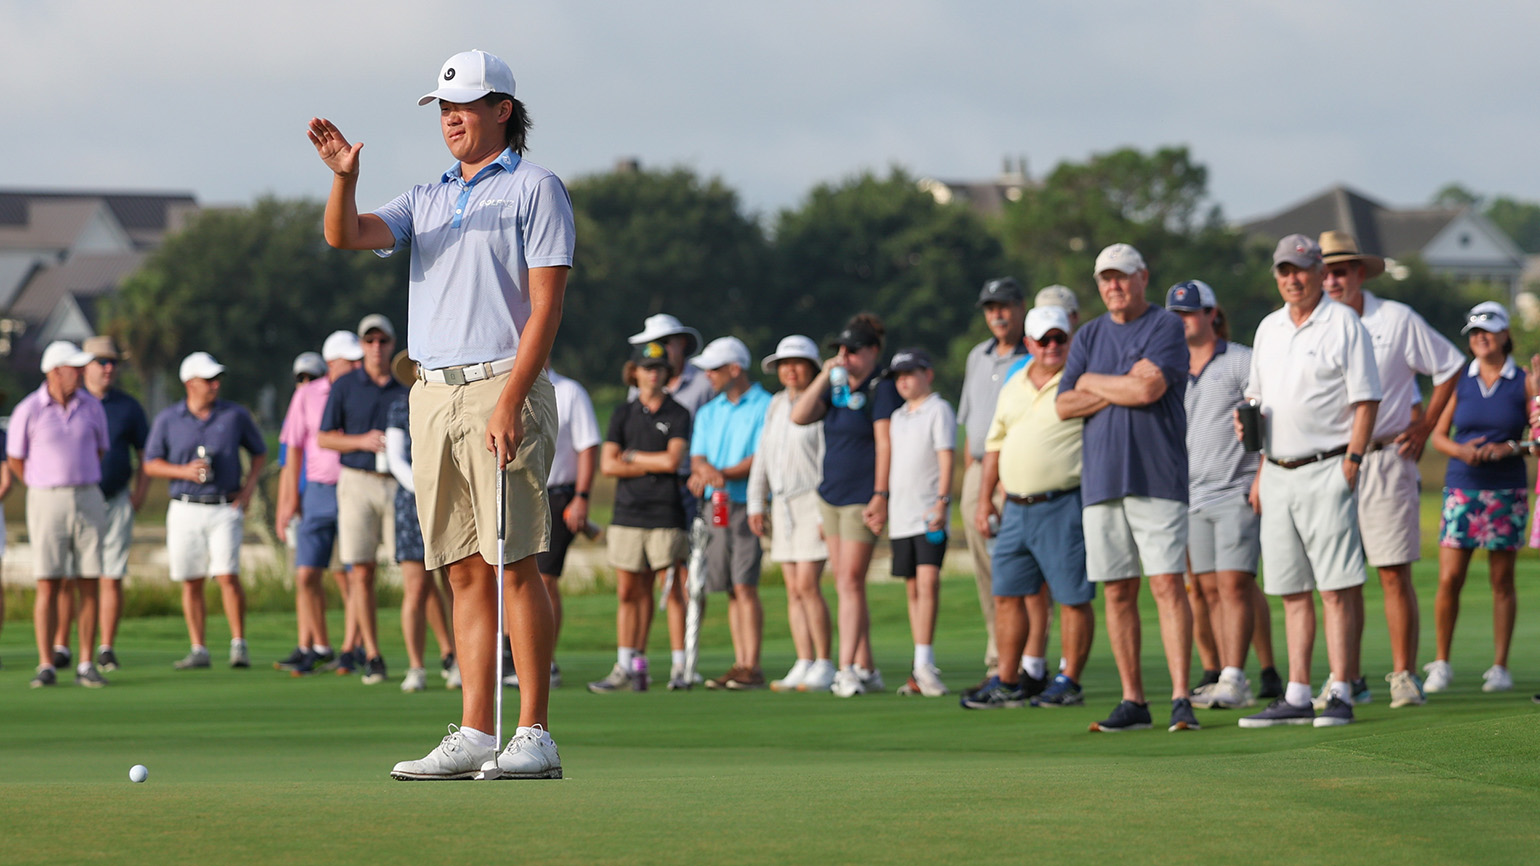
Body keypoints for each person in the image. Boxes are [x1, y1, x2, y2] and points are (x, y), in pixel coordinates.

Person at [313, 47, 573, 779]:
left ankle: (534, 734)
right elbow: (346, 235)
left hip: (501, 385)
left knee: (514, 561)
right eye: (444, 108)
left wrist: (514, 398)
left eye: (465, 105)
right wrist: (344, 180)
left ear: (503, 111)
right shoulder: (426, 198)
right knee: (460, 568)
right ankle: (475, 732)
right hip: (430, 393)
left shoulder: (536, 189)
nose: (452, 118)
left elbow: (547, 305)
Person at [1237, 235, 1380, 729]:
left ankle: (1340, 689)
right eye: (1284, 271)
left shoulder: (1344, 323)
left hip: (1328, 466)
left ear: (1319, 270)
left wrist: (1353, 462)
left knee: (1335, 587)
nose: (1292, 278)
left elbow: (1366, 400)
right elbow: (1257, 402)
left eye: (1300, 268)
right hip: (1276, 472)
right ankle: (1297, 693)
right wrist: (1256, 465)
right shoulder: (1268, 328)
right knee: (1290, 588)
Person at [1319, 230, 1464, 709]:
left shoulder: (1396, 319)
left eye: (1341, 270)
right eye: (1325, 271)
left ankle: (1403, 674)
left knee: (1391, 572)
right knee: (1339, 576)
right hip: (1329, 460)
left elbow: (1448, 365)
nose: (1332, 279)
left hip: (1385, 457)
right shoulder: (1315, 325)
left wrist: (1424, 427)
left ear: (1360, 272)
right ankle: (1349, 677)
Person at [1056, 244, 1197, 733]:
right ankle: (1133, 700)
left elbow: (1148, 391)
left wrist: (1092, 385)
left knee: (1165, 583)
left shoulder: (1165, 327)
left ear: (1142, 277)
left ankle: (1181, 697)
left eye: (1121, 277)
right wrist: (1109, 380)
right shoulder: (1090, 335)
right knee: (1117, 591)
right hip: (1102, 480)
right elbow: (1063, 405)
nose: (1113, 286)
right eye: (1105, 279)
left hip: (1156, 476)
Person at [964, 306, 1096, 709]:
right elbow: (993, 445)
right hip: (1015, 507)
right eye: (1044, 340)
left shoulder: (1084, 380)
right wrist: (985, 498)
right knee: (1007, 593)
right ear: (1028, 344)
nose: (1052, 346)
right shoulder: (1013, 383)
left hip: (1063, 502)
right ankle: (1007, 680)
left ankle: (1068, 680)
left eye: (1060, 338)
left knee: (1073, 596)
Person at [1165, 281, 1279, 710]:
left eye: (1190, 313)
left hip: (1235, 487)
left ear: (1212, 314)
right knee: (1207, 589)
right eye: (1176, 315)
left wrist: (1262, 473)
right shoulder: (1170, 365)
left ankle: (1235, 677)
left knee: (1234, 585)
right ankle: (1223, 673)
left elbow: (1267, 412)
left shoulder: (1240, 361)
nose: (1183, 322)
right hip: (1190, 496)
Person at [791, 313, 903, 697]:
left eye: (853, 350)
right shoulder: (834, 386)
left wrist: (880, 494)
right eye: (841, 349)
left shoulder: (881, 387)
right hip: (831, 494)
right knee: (844, 585)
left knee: (851, 583)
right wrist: (824, 374)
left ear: (872, 351)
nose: (845, 356)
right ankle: (867, 666)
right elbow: (799, 415)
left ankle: (848, 669)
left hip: (861, 497)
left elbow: (884, 443)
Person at [1426, 302, 1530, 695]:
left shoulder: (1524, 381)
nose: (1480, 338)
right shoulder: (1460, 381)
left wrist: (1511, 448)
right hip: (1462, 486)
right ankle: (1441, 663)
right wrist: (1463, 452)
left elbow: (1536, 438)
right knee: (1450, 578)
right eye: (1473, 332)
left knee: (1502, 580)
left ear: (1505, 335)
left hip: (1506, 489)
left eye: (1488, 330)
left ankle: (1500, 666)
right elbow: (1437, 436)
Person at [144, 352, 268, 671]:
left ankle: (239, 645)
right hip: (184, 507)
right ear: (190, 383)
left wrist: (249, 487)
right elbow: (151, 463)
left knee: (227, 575)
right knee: (191, 579)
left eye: (217, 380)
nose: (215, 385)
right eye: (208, 380)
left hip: (225, 506)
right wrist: (183, 472)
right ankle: (199, 648)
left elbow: (259, 453)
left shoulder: (235, 415)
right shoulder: (168, 419)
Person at [957, 277, 1042, 692]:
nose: (997, 314)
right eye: (990, 308)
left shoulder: (1035, 353)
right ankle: (998, 657)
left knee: (1024, 571)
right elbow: (970, 423)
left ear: (1021, 306)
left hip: (1019, 470)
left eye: (1004, 306)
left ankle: (1031, 661)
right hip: (978, 470)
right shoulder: (978, 356)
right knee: (987, 569)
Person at [592, 342, 692, 693]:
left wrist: (631, 457)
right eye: (647, 367)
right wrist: (646, 460)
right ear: (634, 371)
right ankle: (628, 665)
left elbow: (672, 461)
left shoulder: (678, 412)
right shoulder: (622, 413)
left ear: (667, 373)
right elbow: (607, 465)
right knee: (628, 592)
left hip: (667, 513)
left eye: (659, 368)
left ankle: (681, 666)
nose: (653, 373)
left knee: (672, 591)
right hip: (627, 514)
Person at [10, 342, 109, 688]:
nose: (81, 373)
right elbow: (16, 459)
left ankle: (85, 662)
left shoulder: (92, 406)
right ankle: (46, 663)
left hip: (87, 495)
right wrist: (39, 484)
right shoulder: (29, 409)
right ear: (54, 372)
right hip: (45, 498)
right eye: (74, 368)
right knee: (48, 582)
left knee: (89, 579)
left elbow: (99, 449)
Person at [318, 314, 407, 686]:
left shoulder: (405, 385)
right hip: (357, 481)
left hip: (401, 482)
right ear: (362, 345)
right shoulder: (344, 386)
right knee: (362, 571)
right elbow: (325, 438)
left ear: (391, 344)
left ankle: (448, 654)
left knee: (419, 573)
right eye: (369, 342)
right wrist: (361, 441)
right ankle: (372, 654)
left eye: (382, 341)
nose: (375, 348)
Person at [686, 337, 773, 691]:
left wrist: (720, 474)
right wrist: (707, 473)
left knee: (745, 583)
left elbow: (760, 458)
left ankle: (751, 664)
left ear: (734, 369)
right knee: (730, 587)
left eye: (714, 369)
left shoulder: (766, 405)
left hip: (747, 502)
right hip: (716, 504)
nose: (708, 376)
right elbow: (698, 457)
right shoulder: (710, 410)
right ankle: (740, 663)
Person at [747, 335, 833, 693]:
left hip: (813, 501)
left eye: (797, 363)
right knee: (793, 588)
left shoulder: (822, 404)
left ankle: (825, 662)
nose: (790, 370)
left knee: (809, 585)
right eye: (784, 364)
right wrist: (757, 501)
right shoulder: (777, 404)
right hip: (781, 505)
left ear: (812, 367)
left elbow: (829, 459)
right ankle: (804, 659)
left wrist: (825, 513)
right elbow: (764, 454)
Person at [275, 331, 362, 676]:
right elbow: (293, 447)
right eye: (350, 360)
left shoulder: (361, 390)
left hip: (353, 487)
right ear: (331, 364)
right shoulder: (307, 395)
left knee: (353, 574)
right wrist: (289, 499)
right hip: (317, 491)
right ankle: (317, 646)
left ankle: (349, 649)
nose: (357, 365)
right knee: (306, 574)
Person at [881, 348, 956, 698]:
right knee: (912, 587)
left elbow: (945, 458)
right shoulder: (897, 417)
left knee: (928, 583)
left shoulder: (938, 409)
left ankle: (926, 663)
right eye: (898, 376)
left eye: (910, 373)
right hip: (902, 516)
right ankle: (918, 665)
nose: (904, 381)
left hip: (929, 512)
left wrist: (942, 502)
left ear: (929, 374)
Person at [383, 350, 457, 693]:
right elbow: (395, 458)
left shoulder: (453, 399)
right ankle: (416, 666)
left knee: (456, 583)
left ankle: (459, 660)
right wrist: (424, 485)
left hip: (451, 498)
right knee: (416, 587)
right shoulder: (401, 406)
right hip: (412, 501)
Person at [75, 336, 149, 674]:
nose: (109, 369)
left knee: (111, 575)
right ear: (84, 366)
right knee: (70, 576)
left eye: (113, 363)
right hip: (77, 500)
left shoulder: (128, 406)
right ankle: (63, 647)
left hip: (117, 498)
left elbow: (145, 453)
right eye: (102, 362)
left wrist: (140, 493)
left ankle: (105, 648)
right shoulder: (73, 402)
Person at [536, 361, 602, 688]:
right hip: (518, 496)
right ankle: (512, 655)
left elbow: (588, 447)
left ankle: (545, 659)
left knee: (545, 579)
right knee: (512, 579)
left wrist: (582, 497)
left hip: (559, 495)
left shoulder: (570, 392)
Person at [628, 314, 717, 414]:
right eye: (652, 345)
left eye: (664, 342)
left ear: (682, 343)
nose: (658, 350)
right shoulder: (639, 385)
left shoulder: (706, 384)